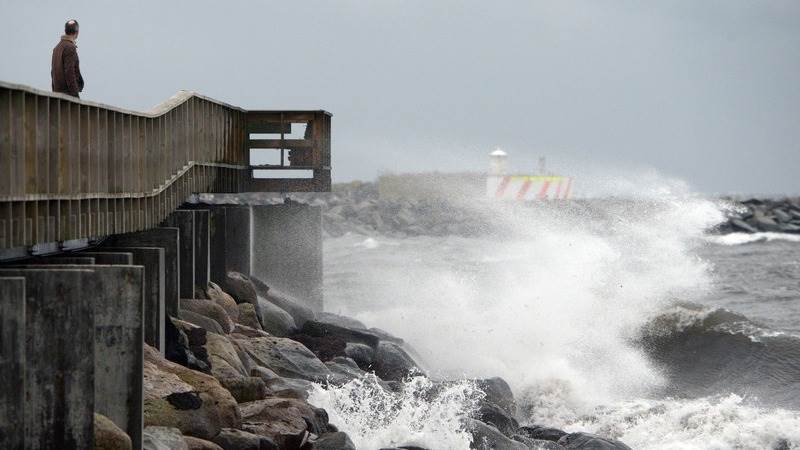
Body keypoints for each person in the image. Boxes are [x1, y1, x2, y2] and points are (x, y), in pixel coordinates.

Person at [51, 19, 84, 98]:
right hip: (67, 96)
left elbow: (52, 73)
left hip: (58, 95)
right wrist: (75, 96)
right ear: (77, 32)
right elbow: (70, 73)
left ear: (65, 31)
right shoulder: (70, 47)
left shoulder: (57, 48)